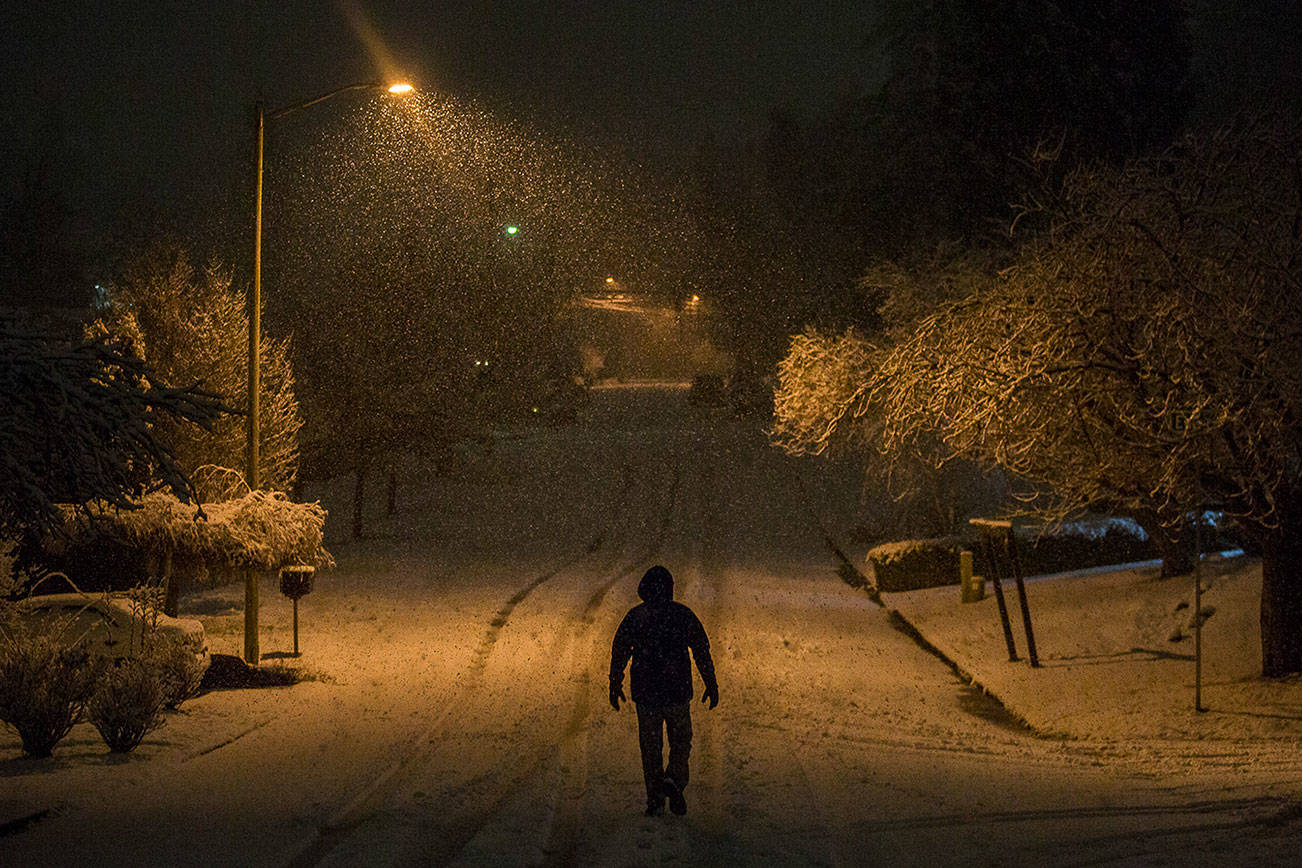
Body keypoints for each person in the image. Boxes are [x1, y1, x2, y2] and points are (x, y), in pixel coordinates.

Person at [609, 565, 718, 817]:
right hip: (677, 691)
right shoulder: (682, 615)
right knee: (681, 741)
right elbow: (701, 650)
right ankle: (674, 779)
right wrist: (710, 682)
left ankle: (655, 798)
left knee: (650, 747)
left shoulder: (635, 617)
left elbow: (619, 652)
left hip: (646, 694)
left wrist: (615, 683)